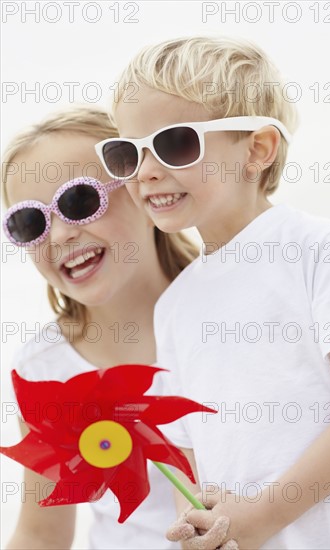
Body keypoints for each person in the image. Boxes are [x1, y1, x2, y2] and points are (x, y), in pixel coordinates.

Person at [96, 36, 330, 549]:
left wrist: (263, 517)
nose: (147, 170)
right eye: (127, 153)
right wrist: (196, 525)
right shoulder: (174, 305)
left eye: (176, 142)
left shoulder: (319, 249)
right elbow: (185, 448)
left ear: (258, 150)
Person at [1, 105, 200, 550]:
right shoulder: (43, 370)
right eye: (30, 222)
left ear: (146, 191)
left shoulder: (233, 315)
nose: (59, 236)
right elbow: (41, 534)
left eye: (78, 201)